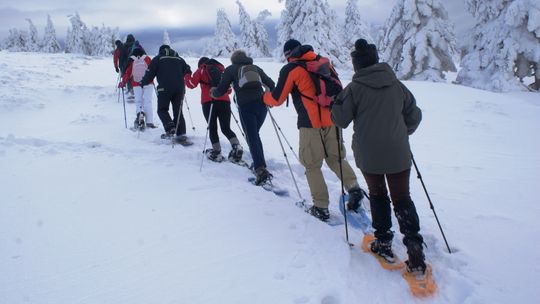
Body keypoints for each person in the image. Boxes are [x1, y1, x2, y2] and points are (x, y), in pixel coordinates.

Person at [331, 39, 426, 275]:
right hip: (398, 151)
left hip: (369, 153)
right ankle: (414, 246)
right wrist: (400, 133)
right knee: (402, 198)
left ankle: (383, 242)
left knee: (378, 195)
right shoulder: (396, 85)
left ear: (357, 66)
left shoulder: (353, 89)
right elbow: (414, 116)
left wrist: (336, 105)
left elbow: (340, 120)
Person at [263, 39, 364, 222]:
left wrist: (264, 98)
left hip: (310, 124)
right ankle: (354, 188)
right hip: (332, 121)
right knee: (336, 158)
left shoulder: (291, 69)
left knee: (312, 164)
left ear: (288, 55)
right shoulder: (323, 62)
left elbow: (277, 99)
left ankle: (321, 207)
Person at [210, 50, 275, 184]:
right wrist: (269, 97)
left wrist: (213, 93)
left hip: (246, 107)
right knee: (254, 135)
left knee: (252, 137)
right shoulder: (255, 68)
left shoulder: (231, 69)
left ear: (233, 60)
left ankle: (260, 170)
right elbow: (271, 83)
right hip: (262, 106)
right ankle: (260, 164)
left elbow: (221, 90)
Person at [185, 57, 243, 162]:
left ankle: (217, 152)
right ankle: (236, 146)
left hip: (208, 102)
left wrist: (187, 74)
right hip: (224, 102)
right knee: (226, 128)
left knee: (212, 128)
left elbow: (191, 84)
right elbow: (229, 90)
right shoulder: (222, 71)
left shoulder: (201, 69)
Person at [140, 45, 192, 145]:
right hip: (179, 89)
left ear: (161, 51)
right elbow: (188, 70)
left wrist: (143, 82)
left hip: (164, 88)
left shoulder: (158, 59)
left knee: (162, 110)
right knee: (178, 111)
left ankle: (170, 128)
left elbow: (149, 74)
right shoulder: (180, 59)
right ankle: (181, 134)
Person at [118, 47, 156, 129]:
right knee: (148, 102)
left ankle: (140, 114)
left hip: (136, 83)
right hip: (148, 83)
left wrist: (123, 82)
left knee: (139, 101)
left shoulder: (132, 60)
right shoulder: (147, 58)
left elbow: (128, 73)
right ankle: (149, 122)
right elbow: (153, 70)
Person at [120, 34, 136, 99]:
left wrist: (121, 67)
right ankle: (135, 91)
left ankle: (130, 90)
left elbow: (121, 57)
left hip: (126, 64)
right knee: (135, 77)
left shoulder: (124, 46)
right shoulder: (136, 46)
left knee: (128, 77)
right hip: (136, 64)